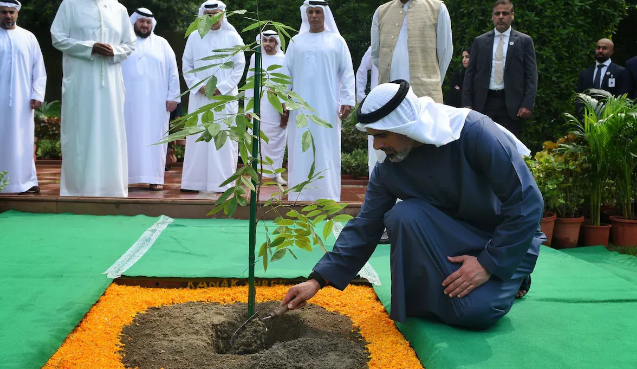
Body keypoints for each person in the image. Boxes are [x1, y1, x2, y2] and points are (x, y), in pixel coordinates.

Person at [280, 80, 543, 330]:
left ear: (406, 125)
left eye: (382, 135)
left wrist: (489, 262)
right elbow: (366, 226)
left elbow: (527, 202)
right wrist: (317, 280)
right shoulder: (388, 170)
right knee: (404, 215)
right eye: (372, 136)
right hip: (453, 240)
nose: (378, 146)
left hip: (501, 238)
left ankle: (513, 272)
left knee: (475, 312)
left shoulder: (475, 133)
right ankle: (480, 282)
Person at [51, 0, 136, 197]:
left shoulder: (119, 9)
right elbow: (57, 38)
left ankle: (112, 188)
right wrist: (90, 47)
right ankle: (78, 189)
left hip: (111, 84)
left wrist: (114, 51)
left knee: (111, 131)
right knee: (81, 131)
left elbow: (130, 44)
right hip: (81, 83)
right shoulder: (69, 5)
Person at [285, 0, 355, 201]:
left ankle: (327, 195)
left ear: (325, 14)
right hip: (299, 107)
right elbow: (285, 74)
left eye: (318, 12)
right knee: (300, 147)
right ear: (305, 15)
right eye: (310, 12)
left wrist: (348, 100)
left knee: (326, 147)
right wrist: (284, 100)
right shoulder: (296, 41)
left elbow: (347, 72)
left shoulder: (337, 41)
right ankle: (299, 194)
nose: (314, 16)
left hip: (327, 107)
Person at [181, 0, 245, 193]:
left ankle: (222, 183)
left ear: (223, 15)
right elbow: (187, 65)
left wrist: (222, 88)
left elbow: (239, 67)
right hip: (200, 97)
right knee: (198, 137)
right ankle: (194, 183)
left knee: (222, 140)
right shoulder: (194, 37)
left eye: (216, 14)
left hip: (223, 99)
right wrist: (199, 86)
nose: (213, 18)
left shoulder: (233, 37)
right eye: (208, 15)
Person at [122, 8, 180, 191]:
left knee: (156, 139)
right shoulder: (123, 43)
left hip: (156, 103)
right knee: (127, 137)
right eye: (141, 21)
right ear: (134, 22)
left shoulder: (162, 44)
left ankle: (155, 178)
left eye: (148, 22)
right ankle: (125, 178)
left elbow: (173, 71)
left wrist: (173, 97)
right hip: (128, 102)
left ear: (152, 24)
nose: (145, 25)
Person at [462, 0, 538, 138]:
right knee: (482, 145)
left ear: (512, 15)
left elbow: (531, 75)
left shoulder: (524, 41)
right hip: (484, 104)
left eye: (505, 13)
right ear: (492, 16)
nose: (501, 16)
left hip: (511, 106)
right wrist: (467, 104)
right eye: (497, 13)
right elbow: (470, 74)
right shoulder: (480, 41)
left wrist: (527, 104)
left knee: (509, 147)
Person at [0, 0, 47, 194]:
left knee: (23, 140)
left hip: (22, 101)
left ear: (17, 13)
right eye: (3, 12)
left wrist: (37, 93)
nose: (8, 16)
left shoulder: (28, 37)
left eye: (11, 12)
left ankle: (25, 182)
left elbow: (39, 68)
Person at [371, 0, 453, 102]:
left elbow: (445, 52)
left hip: (426, 96)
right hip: (388, 95)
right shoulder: (381, 12)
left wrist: (432, 82)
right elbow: (376, 54)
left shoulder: (438, 8)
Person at [245, 30, 289, 186]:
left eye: (271, 40)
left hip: (276, 105)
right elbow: (250, 81)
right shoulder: (255, 58)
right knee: (256, 138)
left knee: (276, 139)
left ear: (277, 42)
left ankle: (276, 174)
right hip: (259, 104)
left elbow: (287, 83)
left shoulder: (284, 59)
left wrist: (283, 102)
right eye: (265, 40)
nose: (268, 44)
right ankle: (256, 174)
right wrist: (248, 107)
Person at [356, 45, 383, 177]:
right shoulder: (374, 48)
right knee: (375, 143)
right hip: (376, 105)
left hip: (398, 102)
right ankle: (375, 179)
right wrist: (362, 98)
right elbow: (361, 71)